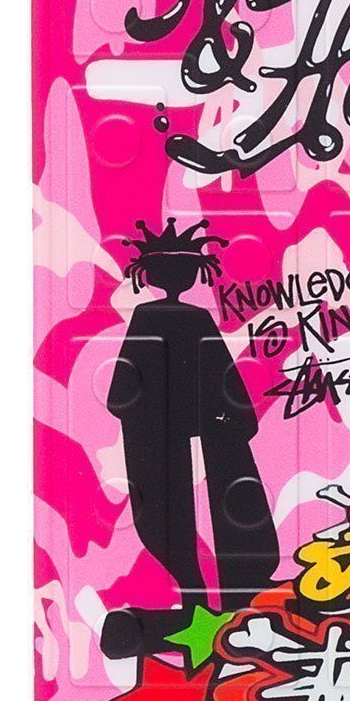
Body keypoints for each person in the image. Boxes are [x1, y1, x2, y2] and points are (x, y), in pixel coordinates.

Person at [106, 218, 279, 614]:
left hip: (170, 435)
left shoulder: (150, 318)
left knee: (174, 514)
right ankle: (217, 594)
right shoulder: (191, 318)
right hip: (199, 432)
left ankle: (199, 594)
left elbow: (124, 387)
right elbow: (223, 375)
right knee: (215, 506)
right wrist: (235, 419)